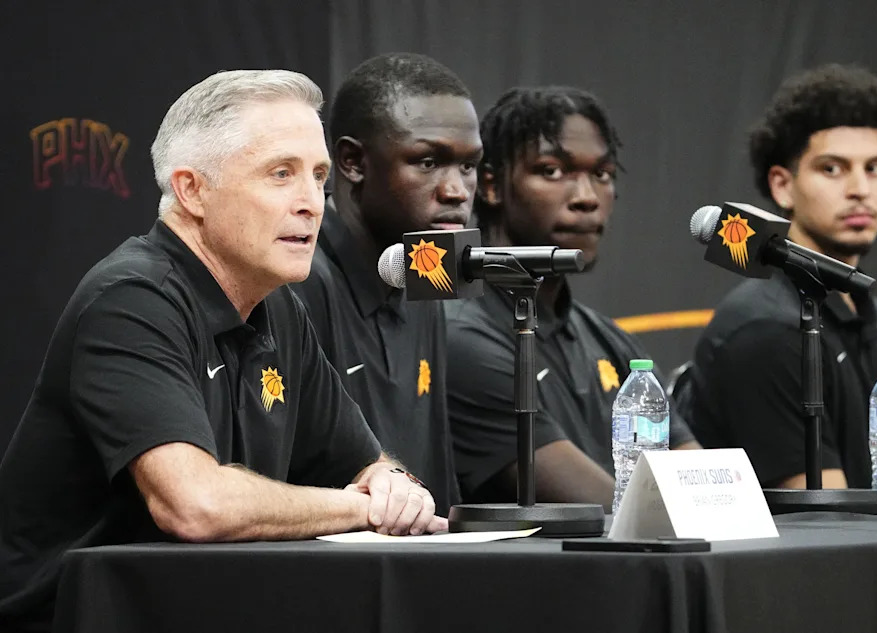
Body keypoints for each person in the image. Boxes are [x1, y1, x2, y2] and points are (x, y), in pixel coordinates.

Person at [0, 70, 446, 633]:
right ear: (191, 190)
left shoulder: (281, 306)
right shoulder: (131, 301)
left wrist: (392, 483)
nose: (312, 203)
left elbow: (364, 459)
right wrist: (363, 508)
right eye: (281, 174)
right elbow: (195, 505)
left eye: (319, 177)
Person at [676, 64, 877, 489]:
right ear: (782, 186)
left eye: (875, 168)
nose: (860, 189)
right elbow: (819, 522)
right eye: (832, 169)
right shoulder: (763, 329)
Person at [445, 86, 700, 511]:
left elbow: (704, 487)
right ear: (490, 185)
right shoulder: (462, 336)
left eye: (602, 174)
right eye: (551, 171)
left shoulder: (608, 338)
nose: (586, 198)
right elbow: (613, 513)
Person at [292, 53, 482, 514]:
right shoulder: (299, 282)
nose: (456, 190)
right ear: (353, 161)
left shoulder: (425, 269)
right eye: (428, 161)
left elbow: (435, 477)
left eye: (469, 166)